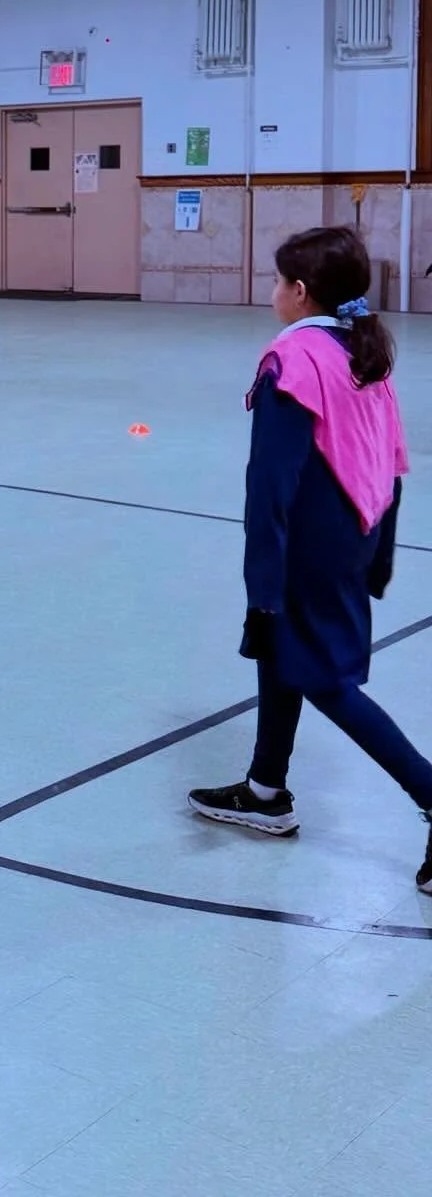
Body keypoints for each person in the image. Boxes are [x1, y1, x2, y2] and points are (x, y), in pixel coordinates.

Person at [187, 226, 431, 895]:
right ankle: (266, 789)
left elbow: (270, 486)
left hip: (311, 543)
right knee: (283, 655)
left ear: (298, 292)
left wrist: (262, 590)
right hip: (355, 529)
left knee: (323, 678)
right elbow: (394, 464)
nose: (272, 292)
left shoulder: (292, 361)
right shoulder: (360, 350)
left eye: (276, 281)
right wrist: (377, 552)